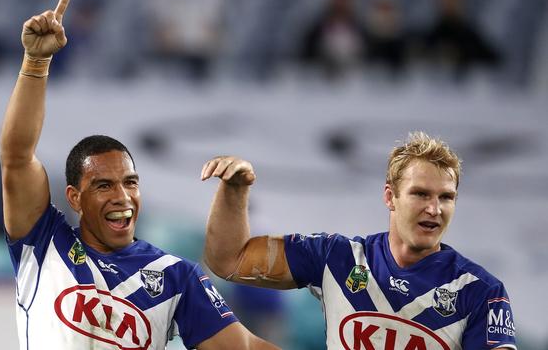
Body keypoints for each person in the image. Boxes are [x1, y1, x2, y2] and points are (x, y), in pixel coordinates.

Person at [0, 0, 279, 349]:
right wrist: (35, 64)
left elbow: (246, 346)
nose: (122, 196)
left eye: (130, 182)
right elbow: (17, 156)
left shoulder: (176, 276)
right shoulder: (43, 243)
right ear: (74, 197)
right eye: (103, 185)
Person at [201, 131, 516, 349]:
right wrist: (234, 191)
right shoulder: (337, 258)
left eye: (446, 198)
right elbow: (229, 260)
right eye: (420, 194)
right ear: (390, 197)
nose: (434, 209)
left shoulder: (479, 292)